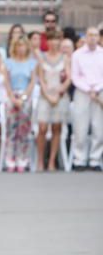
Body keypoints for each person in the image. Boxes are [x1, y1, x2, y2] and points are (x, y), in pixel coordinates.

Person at [35, 31, 72, 172]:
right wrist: (48, 95)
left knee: (57, 128)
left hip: (60, 96)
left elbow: (69, 77)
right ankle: (40, 161)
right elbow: (41, 78)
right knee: (42, 128)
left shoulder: (65, 58)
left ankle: (51, 161)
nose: (54, 42)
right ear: (47, 42)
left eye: (56, 40)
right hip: (45, 96)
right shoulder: (41, 57)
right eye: (51, 40)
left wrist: (60, 92)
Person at [70, 26, 103, 171]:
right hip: (82, 92)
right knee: (80, 126)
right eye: (90, 35)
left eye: (95, 35)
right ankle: (80, 159)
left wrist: (96, 89)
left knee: (98, 127)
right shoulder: (77, 54)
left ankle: (95, 159)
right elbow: (75, 76)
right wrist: (88, 89)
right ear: (86, 37)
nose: (93, 38)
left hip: (99, 92)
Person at [3, 37, 38, 172]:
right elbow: (6, 81)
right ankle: (10, 158)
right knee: (12, 129)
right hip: (12, 96)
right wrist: (12, 97)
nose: (21, 48)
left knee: (24, 130)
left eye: (23, 46)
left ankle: (22, 158)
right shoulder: (8, 62)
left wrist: (23, 98)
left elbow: (32, 82)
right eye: (18, 46)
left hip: (25, 96)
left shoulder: (32, 63)